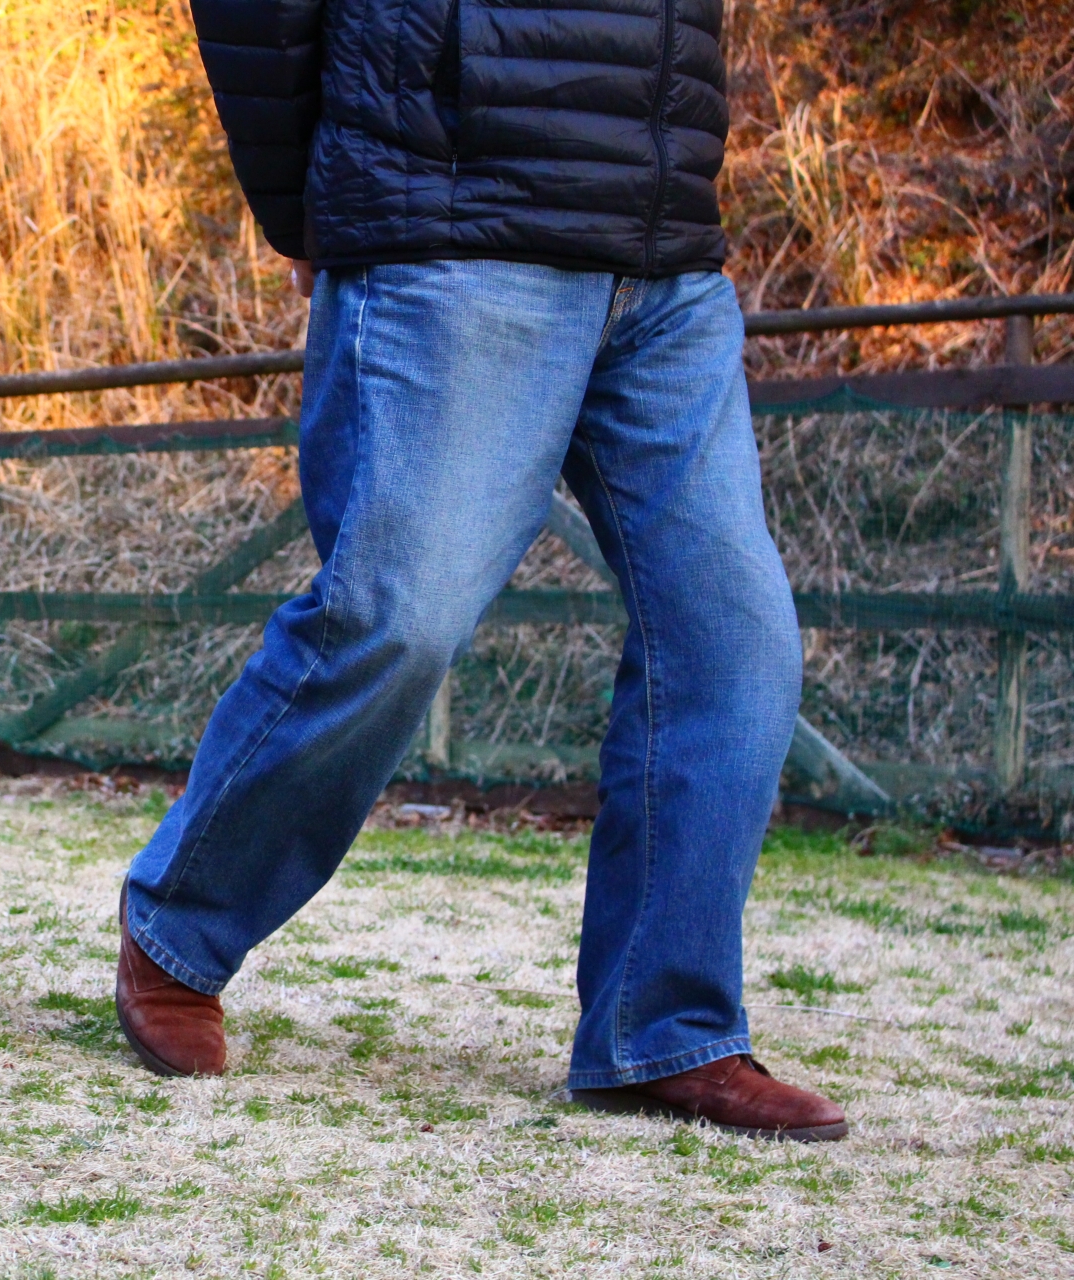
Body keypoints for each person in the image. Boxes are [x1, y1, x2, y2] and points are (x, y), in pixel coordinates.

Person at [113, 0, 849, 1141]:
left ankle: (662, 1028)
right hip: (454, 216)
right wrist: (310, 201)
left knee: (736, 642)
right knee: (399, 616)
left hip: (662, 252)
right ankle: (180, 928)